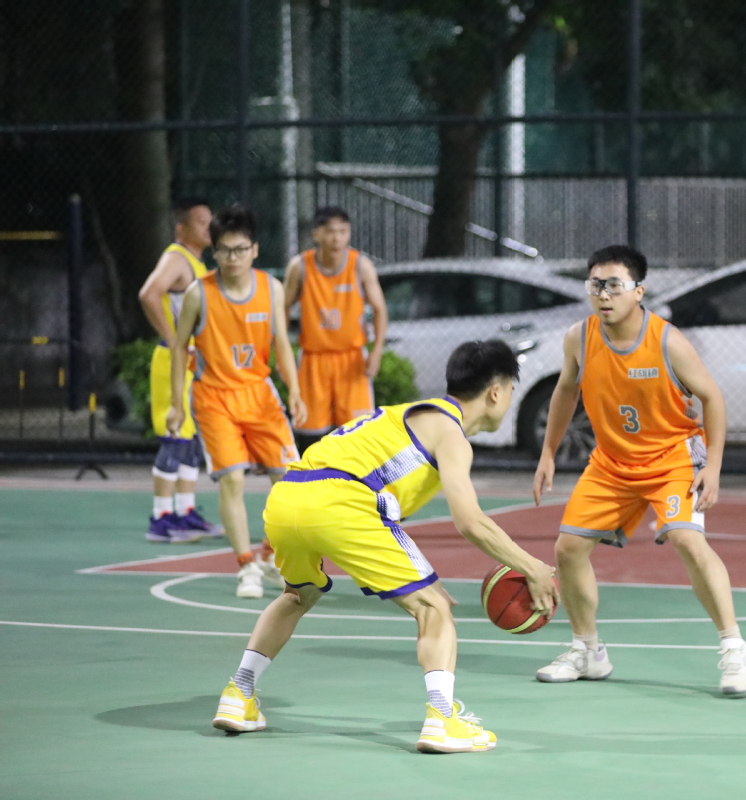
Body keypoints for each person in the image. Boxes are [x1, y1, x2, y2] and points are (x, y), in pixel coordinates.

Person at [211, 340, 559, 754]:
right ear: (496, 392)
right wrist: (533, 566)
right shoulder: (451, 436)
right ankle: (442, 720)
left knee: (297, 595)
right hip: (343, 501)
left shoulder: (405, 414)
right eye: (512, 390)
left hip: (287, 497)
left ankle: (239, 693)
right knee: (434, 609)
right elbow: (470, 521)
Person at [532, 244, 746, 695]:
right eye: (595, 285)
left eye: (614, 285)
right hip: (612, 463)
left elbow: (712, 398)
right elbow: (565, 390)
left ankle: (735, 649)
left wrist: (713, 466)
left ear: (639, 291)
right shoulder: (579, 338)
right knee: (568, 549)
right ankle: (587, 652)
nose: (603, 294)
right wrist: (548, 452)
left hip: (672, 457)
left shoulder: (668, 341)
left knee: (687, 540)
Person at [168, 205, 306, 598]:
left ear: (255, 250)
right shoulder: (198, 293)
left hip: (260, 395)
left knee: (290, 482)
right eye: (225, 250)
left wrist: (295, 389)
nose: (233, 257)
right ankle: (247, 566)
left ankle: (270, 553)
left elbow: (281, 342)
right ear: (214, 252)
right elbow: (179, 348)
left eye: (241, 249)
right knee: (232, 479)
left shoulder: (271, 289)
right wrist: (176, 404)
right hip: (214, 397)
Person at [136, 198, 221, 543]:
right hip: (174, 362)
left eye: (210, 220)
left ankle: (185, 512)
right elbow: (148, 294)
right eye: (200, 221)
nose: (208, 227)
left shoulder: (196, 263)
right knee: (175, 438)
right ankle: (160, 518)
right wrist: (174, 341)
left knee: (191, 441)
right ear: (181, 228)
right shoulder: (176, 258)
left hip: (192, 363)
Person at [283, 207, 388, 449]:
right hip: (313, 359)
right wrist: (283, 351)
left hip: (351, 360)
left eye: (343, 231)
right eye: (330, 231)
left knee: (358, 436)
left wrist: (376, 351)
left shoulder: (360, 265)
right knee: (310, 437)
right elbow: (281, 308)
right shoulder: (300, 266)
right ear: (316, 234)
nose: (337, 238)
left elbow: (380, 310)